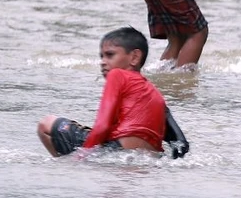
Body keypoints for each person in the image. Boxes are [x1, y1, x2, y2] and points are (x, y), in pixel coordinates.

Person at [36, 27, 188, 158]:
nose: (103, 61)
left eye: (110, 55)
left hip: (117, 151)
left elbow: (102, 126)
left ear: (134, 57)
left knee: (46, 124)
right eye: (101, 56)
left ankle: (66, 170)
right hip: (149, 158)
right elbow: (180, 143)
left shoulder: (117, 75)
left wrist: (81, 157)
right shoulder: (155, 93)